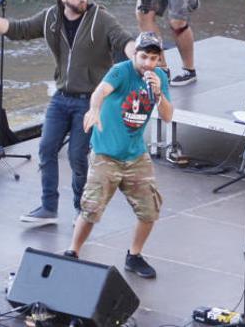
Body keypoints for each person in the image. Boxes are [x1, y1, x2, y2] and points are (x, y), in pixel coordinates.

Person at [0, 0, 134, 225]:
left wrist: (139, 56)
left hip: (89, 100)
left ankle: (83, 211)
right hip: (61, 98)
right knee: (46, 149)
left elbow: (124, 40)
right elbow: (17, 30)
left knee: (76, 156)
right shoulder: (50, 17)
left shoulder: (100, 18)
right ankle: (49, 208)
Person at [66, 32, 173, 279]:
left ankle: (134, 256)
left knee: (150, 209)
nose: (147, 63)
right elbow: (100, 92)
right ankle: (73, 251)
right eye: (144, 56)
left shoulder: (159, 79)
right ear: (135, 54)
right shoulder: (121, 71)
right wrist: (93, 110)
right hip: (106, 154)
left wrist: (158, 94)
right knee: (91, 208)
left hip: (135, 155)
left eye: (153, 58)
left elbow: (167, 116)